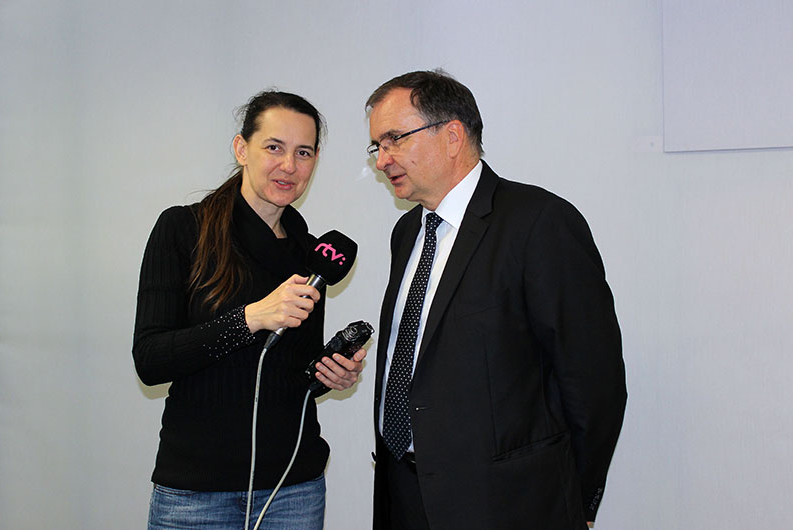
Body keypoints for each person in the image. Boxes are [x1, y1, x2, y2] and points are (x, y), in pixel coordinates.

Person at [366, 70, 627, 530]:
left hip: (509, 503)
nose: (382, 159)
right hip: (404, 494)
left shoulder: (539, 222)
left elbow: (593, 379)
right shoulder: (407, 232)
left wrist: (576, 499)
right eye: (377, 146)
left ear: (452, 136)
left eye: (394, 140)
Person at [132, 90, 365, 530]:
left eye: (303, 152)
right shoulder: (182, 229)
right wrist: (250, 318)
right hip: (197, 493)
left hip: (293, 490)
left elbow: (284, 377)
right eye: (274, 147)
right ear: (242, 149)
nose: (289, 165)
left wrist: (329, 375)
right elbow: (150, 360)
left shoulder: (311, 254)